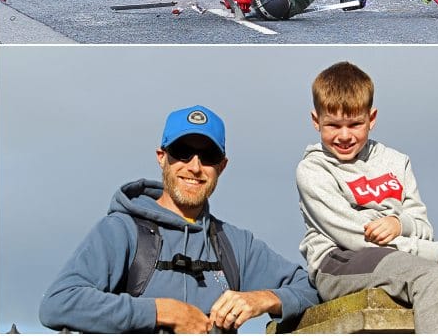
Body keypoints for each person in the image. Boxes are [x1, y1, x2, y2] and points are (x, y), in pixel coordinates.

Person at [38, 105, 319, 334]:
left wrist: (263, 299)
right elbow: (59, 302)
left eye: (208, 156)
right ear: (162, 157)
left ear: (222, 167)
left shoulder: (236, 244)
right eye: (182, 152)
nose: (195, 167)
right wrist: (162, 312)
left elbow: (312, 288)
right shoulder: (120, 231)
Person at [295, 62, 438, 334]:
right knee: (428, 276)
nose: (344, 135)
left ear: (372, 118)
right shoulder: (312, 170)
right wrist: (436, 253)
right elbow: (353, 237)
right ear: (316, 120)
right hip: (339, 259)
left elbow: (423, 227)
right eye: (333, 125)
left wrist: (399, 223)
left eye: (355, 124)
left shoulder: (396, 161)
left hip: (403, 255)